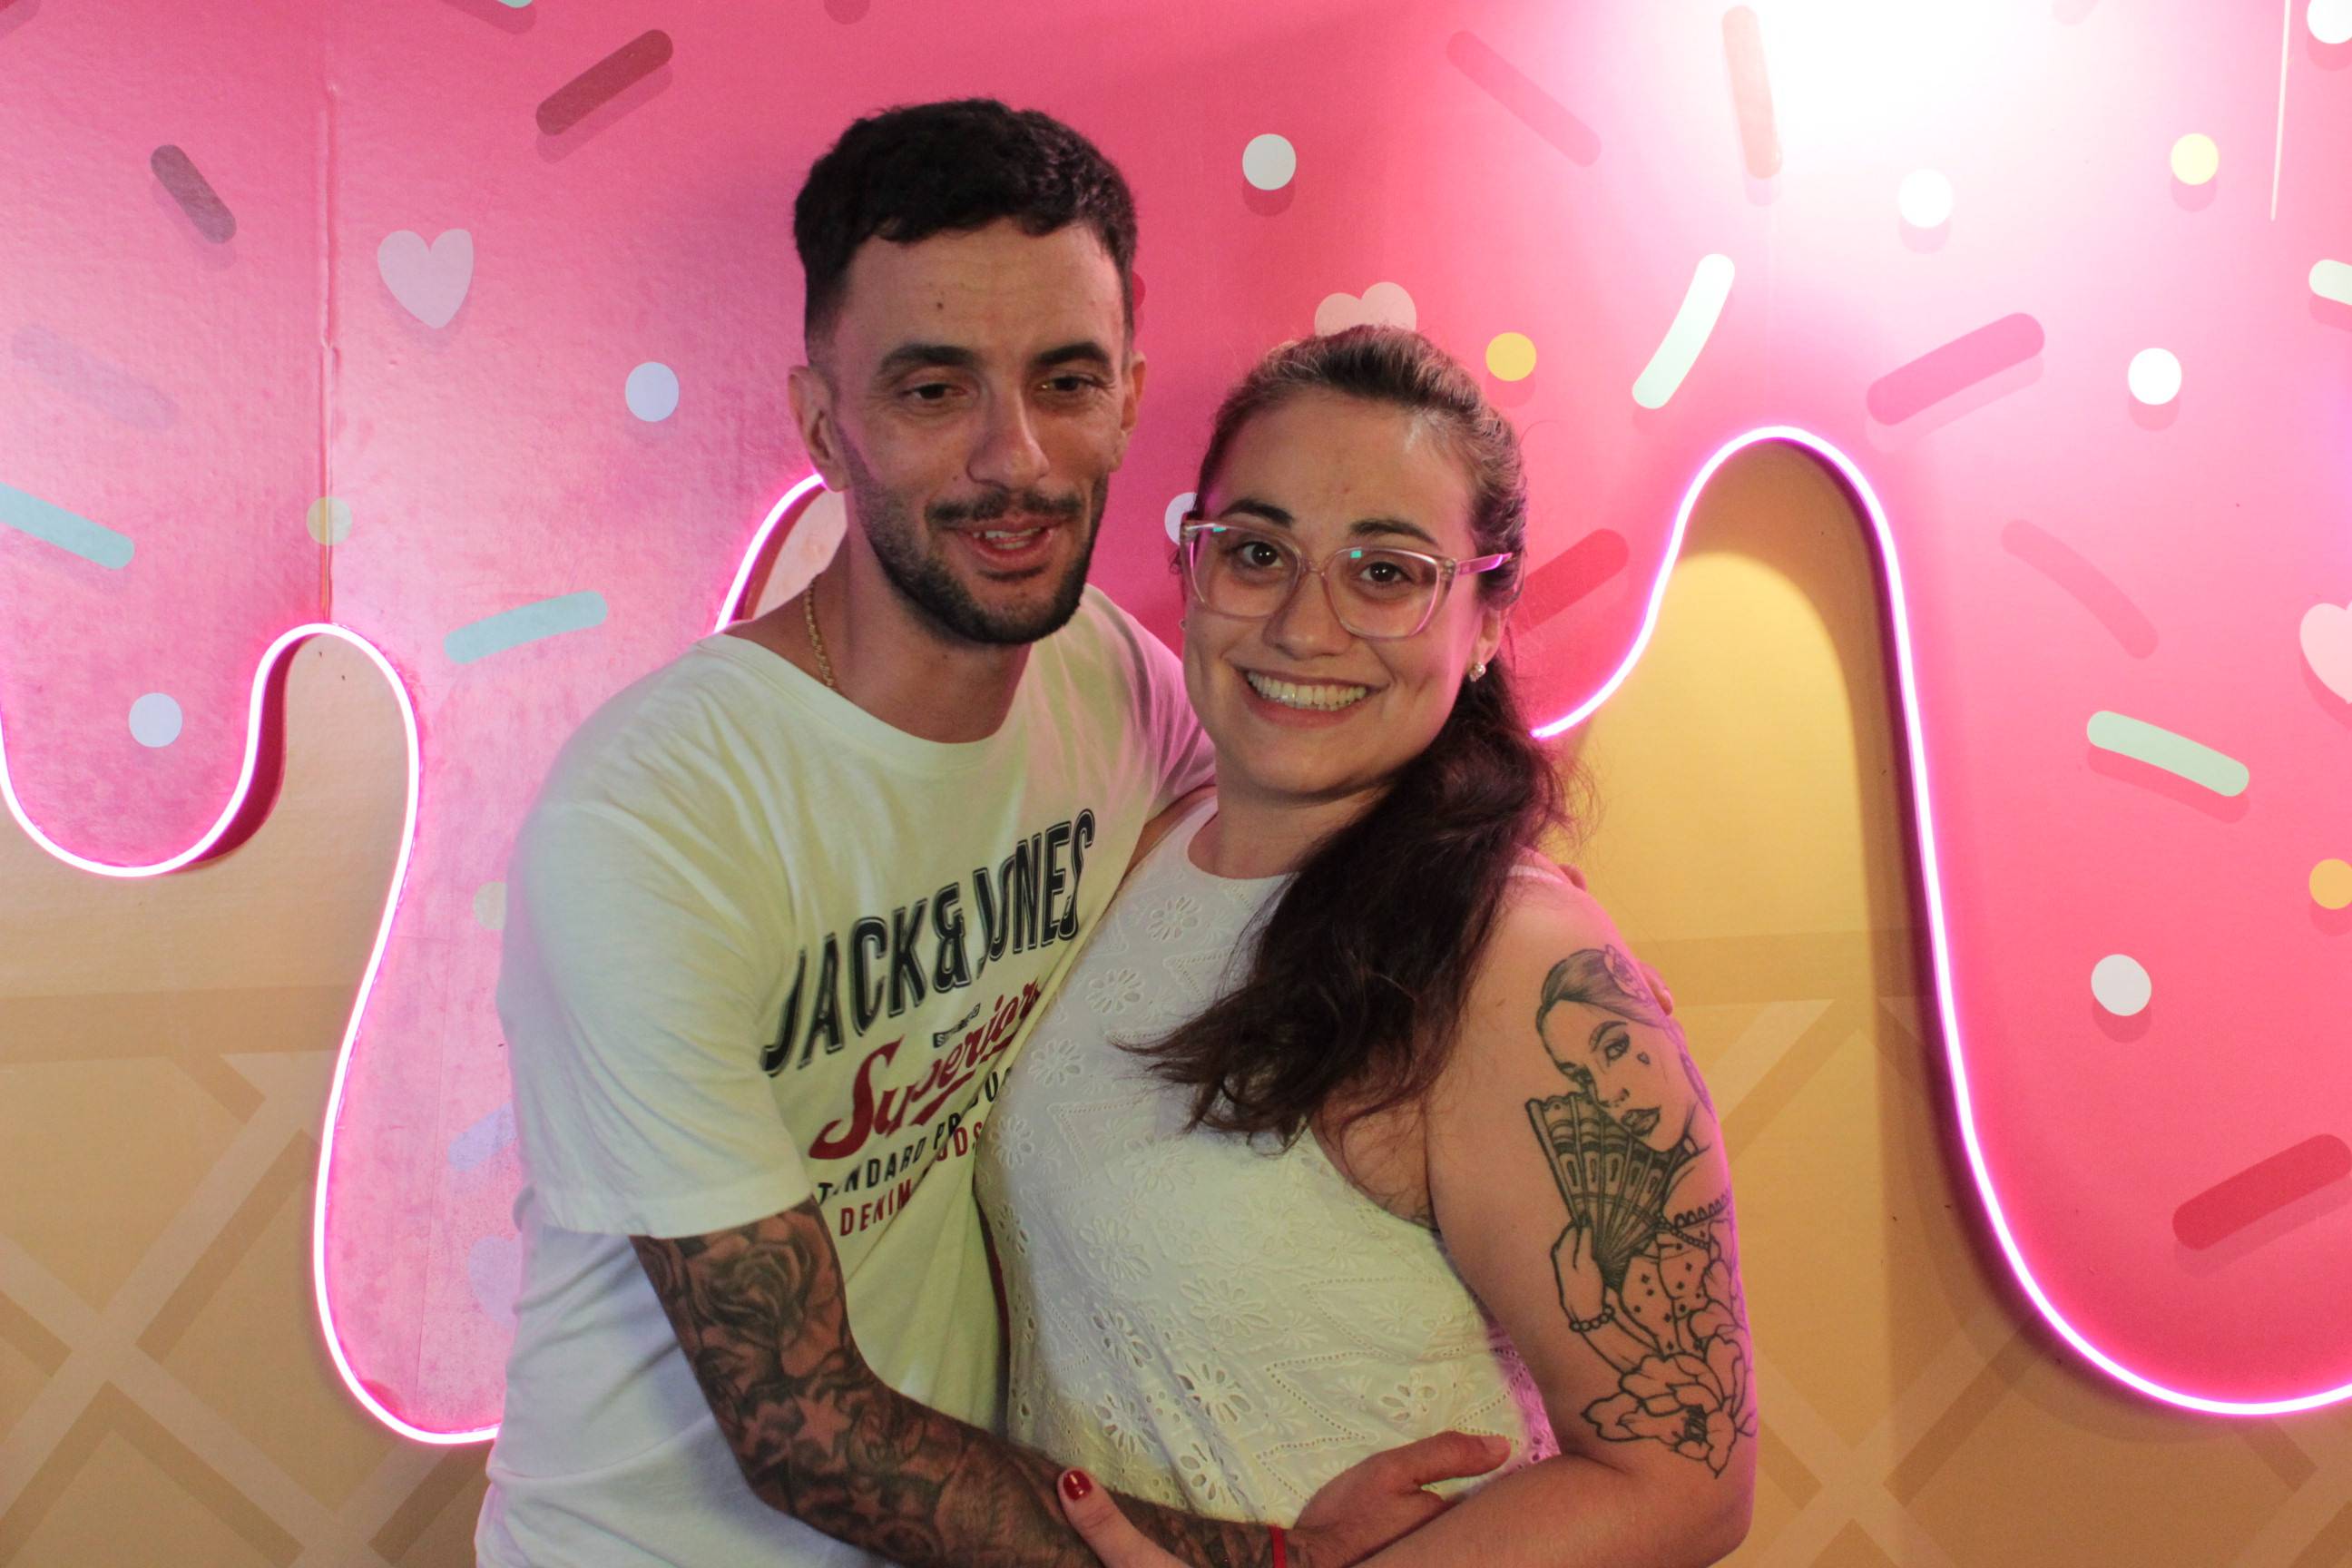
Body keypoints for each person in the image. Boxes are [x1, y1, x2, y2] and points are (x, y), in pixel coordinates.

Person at [476, 101, 1501, 1568]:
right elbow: (798, 1426)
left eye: (1063, 381)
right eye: (933, 388)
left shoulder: (1116, 684)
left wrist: (1521, 933)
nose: (1012, 458)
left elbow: (1321, 816)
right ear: (824, 423)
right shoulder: (657, 827)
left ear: (1128, 398)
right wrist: (1276, 1559)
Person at [973, 327, 1757, 1565]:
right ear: (1196, 562)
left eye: (1386, 573)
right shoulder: (1150, 843)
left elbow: (1685, 1481)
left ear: (1487, 617)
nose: (1304, 625)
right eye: (1258, 552)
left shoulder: (1514, 962)